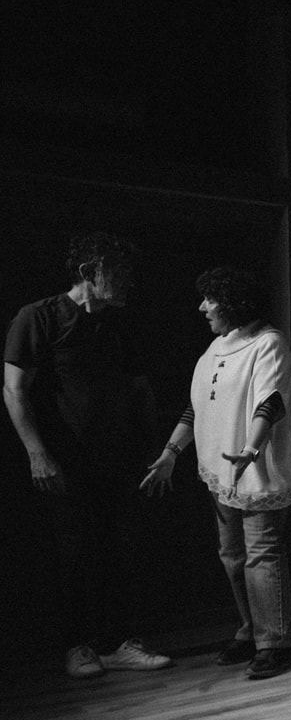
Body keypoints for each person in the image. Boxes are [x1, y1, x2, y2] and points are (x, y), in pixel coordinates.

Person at [4, 231, 172, 678]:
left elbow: (141, 389)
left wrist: (152, 448)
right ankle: (77, 646)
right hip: (65, 460)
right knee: (72, 552)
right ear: (87, 273)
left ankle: (119, 644)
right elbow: (14, 390)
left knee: (122, 550)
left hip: (118, 458)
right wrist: (37, 453)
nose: (128, 281)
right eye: (118, 272)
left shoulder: (120, 323)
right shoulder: (39, 317)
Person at [141, 268, 291, 678]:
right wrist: (171, 453)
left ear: (232, 302)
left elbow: (271, 402)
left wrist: (251, 448)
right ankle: (250, 630)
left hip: (258, 470)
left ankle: (275, 644)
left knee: (262, 554)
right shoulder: (214, 348)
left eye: (209, 299)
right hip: (221, 472)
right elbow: (196, 408)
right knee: (232, 557)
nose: (202, 308)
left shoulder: (268, 344)